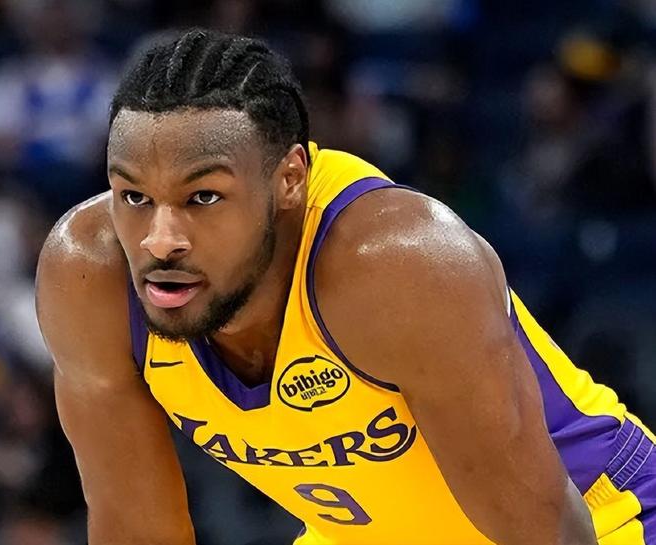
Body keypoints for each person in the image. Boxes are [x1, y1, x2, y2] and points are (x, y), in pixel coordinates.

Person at [35, 29, 655, 545]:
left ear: (289, 179)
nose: (159, 240)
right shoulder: (90, 276)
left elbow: (542, 528)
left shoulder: (396, 264)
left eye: (203, 197)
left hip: (598, 516)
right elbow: (137, 531)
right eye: (134, 197)